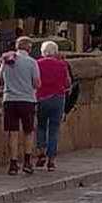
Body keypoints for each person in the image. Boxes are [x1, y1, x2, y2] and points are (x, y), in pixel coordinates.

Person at [0, 35, 41, 176]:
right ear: (29, 48)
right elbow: (36, 83)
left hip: (9, 99)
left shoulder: (7, 60)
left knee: (13, 132)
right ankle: (27, 162)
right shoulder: (32, 62)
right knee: (28, 131)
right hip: (27, 100)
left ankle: (13, 163)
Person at [33, 40, 71, 169]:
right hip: (58, 98)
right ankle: (51, 160)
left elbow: (34, 81)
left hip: (41, 97)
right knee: (54, 129)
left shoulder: (37, 64)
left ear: (43, 52)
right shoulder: (62, 65)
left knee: (41, 126)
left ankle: (41, 153)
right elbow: (67, 83)